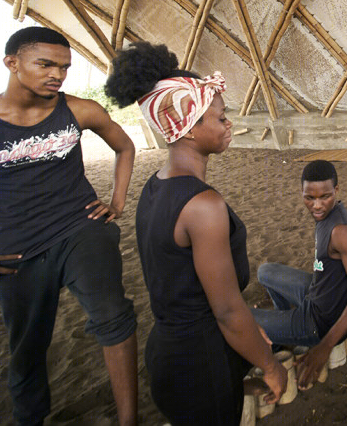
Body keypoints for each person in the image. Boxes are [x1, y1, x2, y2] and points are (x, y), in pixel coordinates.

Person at [0, 27, 138, 426]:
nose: (57, 74)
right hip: (14, 251)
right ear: (12, 63)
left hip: (80, 228)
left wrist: (117, 201)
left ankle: (128, 421)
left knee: (113, 316)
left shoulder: (80, 111)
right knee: (27, 349)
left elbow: (124, 146)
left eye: (65, 67)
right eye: (46, 64)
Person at [104, 42, 285, 425]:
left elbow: (185, 288)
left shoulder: (156, 187)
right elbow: (226, 310)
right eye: (219, 117)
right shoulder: (204, 206)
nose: (227, 124)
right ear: (188, 128)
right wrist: (270, 366)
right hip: (200, 363)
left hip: (171, 354)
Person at [252, 160, 347, 388]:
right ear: (301, 192)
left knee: (242, 320)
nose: (317, 205)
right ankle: (284, 331)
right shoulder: (335, 214)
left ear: (336, 191)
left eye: (325, 197)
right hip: (316, 293)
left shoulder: (341, 232)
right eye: (310, 198)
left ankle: (292, 331)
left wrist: (325, 347)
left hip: (320, 323)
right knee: (265, 271)